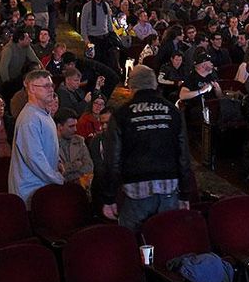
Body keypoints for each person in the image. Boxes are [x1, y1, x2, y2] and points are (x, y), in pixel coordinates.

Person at [100, 65, 192, 232]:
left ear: (131, 86)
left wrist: (109, 197)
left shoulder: (122, 114)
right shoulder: (172, 111)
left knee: (132, 243)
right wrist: (186, 193)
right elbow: (184, 156)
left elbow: (112, 159)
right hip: (169, 188)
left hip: (136, 190)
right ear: (155, 84)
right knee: (167, 239)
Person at [8, 70, 63, 208]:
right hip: (31, 189)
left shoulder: (43, 114)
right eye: (46, 86)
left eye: (51, 85)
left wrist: (57, 161)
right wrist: (56, 178)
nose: (51, 89)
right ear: (31, 88)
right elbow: (34, 158)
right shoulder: (30, 119)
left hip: (43, 184)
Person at [55, 108, 93, 185]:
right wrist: (76, 165)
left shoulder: (79, 141)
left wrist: (67, 172)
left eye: (76, 125)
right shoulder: (51, 144)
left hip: (78, 187)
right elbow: (56, 172)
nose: (75, 129)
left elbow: (89, 167)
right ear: (60, 127)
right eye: (71, 126)